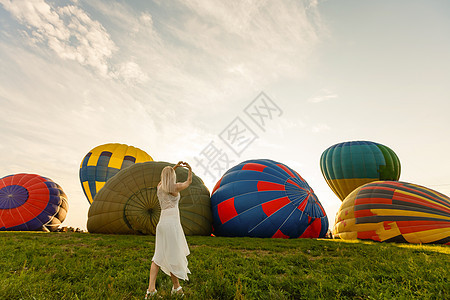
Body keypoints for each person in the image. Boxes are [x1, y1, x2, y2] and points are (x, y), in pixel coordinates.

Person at [145, 161, 192, 299]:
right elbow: (188, 182)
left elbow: (165, 177)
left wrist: (174, 168)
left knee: (158, 256)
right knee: (172, 255)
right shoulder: (174, 187)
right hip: (172, 224)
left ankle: (151, 291)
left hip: (162, 224)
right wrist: (189, 169)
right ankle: (176, 288)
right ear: (172, 176)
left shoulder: (160, 186)